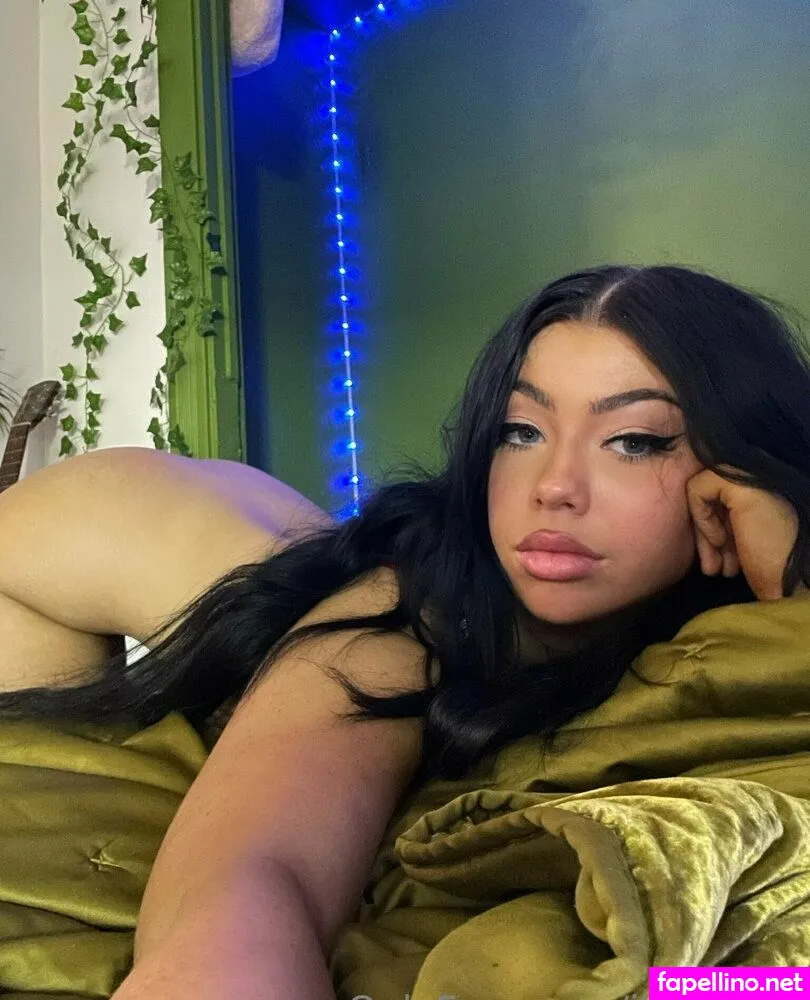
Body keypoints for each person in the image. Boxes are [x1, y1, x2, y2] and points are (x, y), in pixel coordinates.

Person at [0, 263, 808, 998]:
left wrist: (792, 580)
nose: (554, 486)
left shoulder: (727, 604)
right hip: (81, 534)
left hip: (266, 539)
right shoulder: (409, 612)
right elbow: (252, 876)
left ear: (733, 469)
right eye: (520, 431)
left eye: (634, 441)